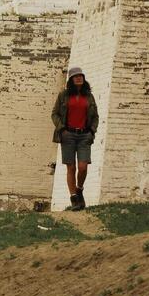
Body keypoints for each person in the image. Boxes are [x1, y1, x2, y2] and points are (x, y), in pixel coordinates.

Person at [51, 66, 98, 211]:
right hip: (68, 135)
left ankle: (79, 189)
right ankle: (74, 199)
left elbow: (95, 116)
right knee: (71, 167)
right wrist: (62, 129)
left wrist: (91, 131)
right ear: (71, 79)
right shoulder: (63, 95)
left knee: (83, 167)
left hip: (84, 135)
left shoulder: (89, 96)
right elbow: (55, 114)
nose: (79, 78)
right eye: (75, 76)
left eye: (81, 76)